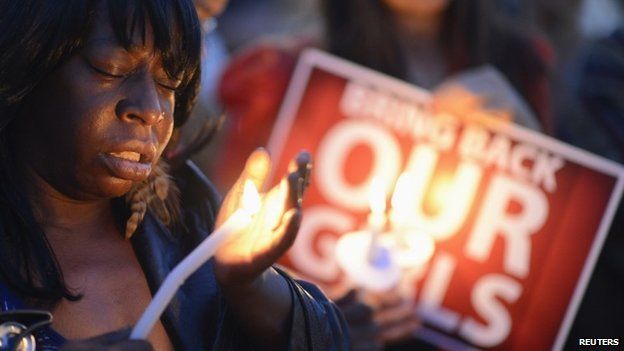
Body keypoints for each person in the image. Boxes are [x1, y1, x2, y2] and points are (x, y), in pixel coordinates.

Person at [0, 0, 349, 350]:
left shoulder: (187, 215)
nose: (151, 109)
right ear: (28, 60)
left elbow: (332, 340)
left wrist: (249, 283)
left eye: (170, 83)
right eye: (111, 68)